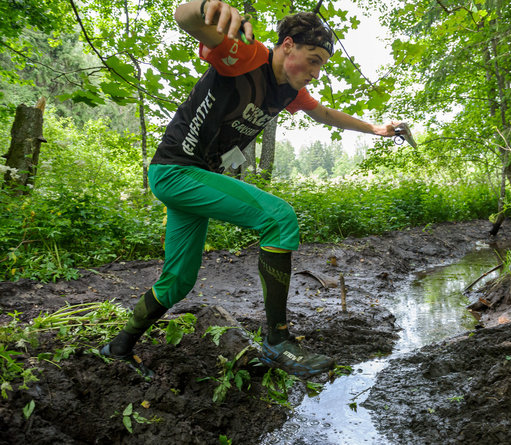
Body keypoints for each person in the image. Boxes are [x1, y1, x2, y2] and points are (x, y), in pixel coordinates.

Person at [101, 0, 403, 379]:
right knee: (280, 218)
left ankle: (117, 347)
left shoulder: (288, 91)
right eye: (312, 60)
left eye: (321, 65)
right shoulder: (245, 55)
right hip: (176, 171)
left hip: (196, 181)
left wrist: (376, 129)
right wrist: (207, 7)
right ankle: (277, 342)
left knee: (178, 281)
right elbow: (185, 18)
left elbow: (325, 114)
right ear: (288, 45)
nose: (315, 72)